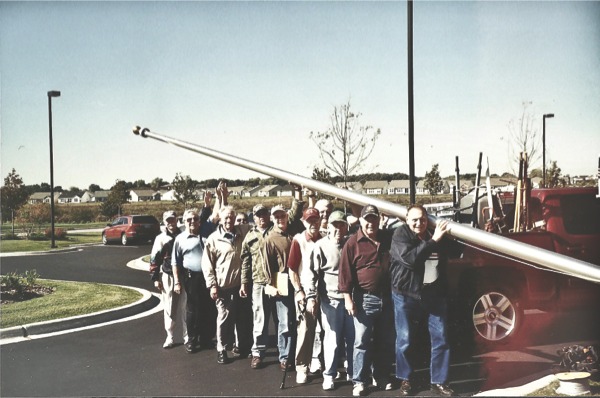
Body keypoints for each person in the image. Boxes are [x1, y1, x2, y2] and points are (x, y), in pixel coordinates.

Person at [390, 204, 458, 397]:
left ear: (427, 219)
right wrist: (434, 239)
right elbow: (411, 260)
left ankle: (439, 381)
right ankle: (406, 379)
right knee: (405, 340)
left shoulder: (434, 233)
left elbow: (457, 250)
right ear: (406, 220)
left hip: (433, 294)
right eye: (414, 219)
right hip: (406, 294)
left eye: (422, 219)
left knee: (441, 338)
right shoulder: (400, 235)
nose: (419, 223)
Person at [240, 185, 305, 370]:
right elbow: (245, 261)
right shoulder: (250, 236)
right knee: (260, 320)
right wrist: (245, 282)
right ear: (254, 217)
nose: (262, 217)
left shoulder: (276, 229)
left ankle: (284, 356)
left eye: (264, 214)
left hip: (279, 281)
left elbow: (294, 211)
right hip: (259, 282)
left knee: (283, 320)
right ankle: (258, 353)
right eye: (258, 215)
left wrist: (298, 194)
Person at [339, 204, 395, 397]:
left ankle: (381, 376)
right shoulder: (352, 243)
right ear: (361, 221)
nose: (371, 223)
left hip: (387, 298)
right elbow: (344, 274)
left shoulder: (388, 237)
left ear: (379, 220)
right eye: (367, 219)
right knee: (361, 341)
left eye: (374, 219)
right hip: (364, 299)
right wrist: (348, 299)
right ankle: (359, 381)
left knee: (385, 340)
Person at [306, 210, 354, 391]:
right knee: (332, 340)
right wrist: (311, 297)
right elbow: (311, 274)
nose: (338, 229)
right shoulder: (320, 246)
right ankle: (329, 374)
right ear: (328, 226)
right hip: (330, 301)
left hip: (350, 300)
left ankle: (352, 370)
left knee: (352, 337)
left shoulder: (350, 243)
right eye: (335, 225)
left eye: (341, 224)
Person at [202, 205, 252, 364]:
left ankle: (242, 345)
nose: (229, 220)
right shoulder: (213, 239)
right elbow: (207, 264)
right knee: (224, 318)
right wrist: (212, 285)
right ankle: (222, 349)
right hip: (224, 287)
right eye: (226, 218)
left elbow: (262, 222)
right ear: (220, 220)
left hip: (242, 286)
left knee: (243, 318)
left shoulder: (242, 231)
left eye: (231, 217)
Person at [172, 208, 216, 353]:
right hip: (191, 277)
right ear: (183, 222)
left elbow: (216, 214)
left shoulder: (206, 231)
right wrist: (177, 282)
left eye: (195, 219)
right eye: (189, 219)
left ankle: (206, 339)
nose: (192, 222)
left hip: (208, 276)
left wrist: (220, 197)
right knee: (192, 310)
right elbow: (175, 262)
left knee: (208, 308)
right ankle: (191, 339)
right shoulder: (180, 239)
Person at [287, 207, 322, 384]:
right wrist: (298, 291)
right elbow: (292, 269)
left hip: (324, 291)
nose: (313, 223)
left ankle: (320, 362)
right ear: (304, 222)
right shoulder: (298, 240)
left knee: (325, 330)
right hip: (305, 291)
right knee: (305, 330)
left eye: (316, 220)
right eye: (309, 220)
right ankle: (302, 367)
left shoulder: (325, 238)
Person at [149, 210, 187, 349]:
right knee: (170, 306)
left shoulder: (184, 234)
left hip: (185, 275)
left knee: (186, 305)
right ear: (164, 222)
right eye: (168, 220)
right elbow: (154, 259)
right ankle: (170, 336)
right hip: (168, 276)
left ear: (177, 220)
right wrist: (155, 278)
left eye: (173, 220)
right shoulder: (161, 238)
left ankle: (187, 335)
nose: (171, 223)